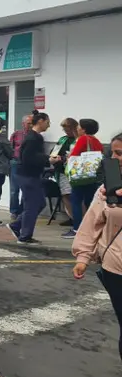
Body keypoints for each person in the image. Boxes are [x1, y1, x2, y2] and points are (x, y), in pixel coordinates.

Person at [72, 133, 122, 362]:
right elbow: (92, 222)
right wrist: (83, 257)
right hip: (115, 268)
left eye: (120, 153)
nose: (116, 158)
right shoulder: (107, 189)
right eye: (114, 152)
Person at [8, 111, 51, 244]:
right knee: (32, 205)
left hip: (30, 175)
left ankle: (16, 225)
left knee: (39, 203)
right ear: (41, 121)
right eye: (47, 122)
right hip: (28, 176)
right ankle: (25, 236)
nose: (48, 125)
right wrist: (48, 159)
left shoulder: (33, 136)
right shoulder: (33, 138)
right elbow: (28, 158)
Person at [66, 118, 104, 238]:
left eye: (79, 126)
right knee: (90, 202)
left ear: (84, 129)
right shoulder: (97, 141)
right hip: (93, 176)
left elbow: (74, 155)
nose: (77, 128)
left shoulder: (83, 139)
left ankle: (77, 228)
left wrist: (68, 157)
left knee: (76, 201)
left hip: (80, 175)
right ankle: (91, 228)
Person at [51, 118, 79, 228]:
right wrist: (55, 157)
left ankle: (77, 219)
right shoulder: (63, 139)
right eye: (65, 130)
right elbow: (53, 152)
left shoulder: (78, 140)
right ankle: (72, 217)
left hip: (73, 172)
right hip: (61, 171)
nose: (66, 132)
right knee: (65, 195)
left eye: (68, 129)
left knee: (72, 196)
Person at [8, 114, 33, 219]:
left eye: (32, 123)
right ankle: (14, 211)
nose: (31, 125)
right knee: (14, 189)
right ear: (23, 124)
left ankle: (22, 210)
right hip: (16, 163)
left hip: (28, 164)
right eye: (28, 123)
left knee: (26, 188)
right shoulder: (16, 134)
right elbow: (10, 148)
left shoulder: (34, 135)